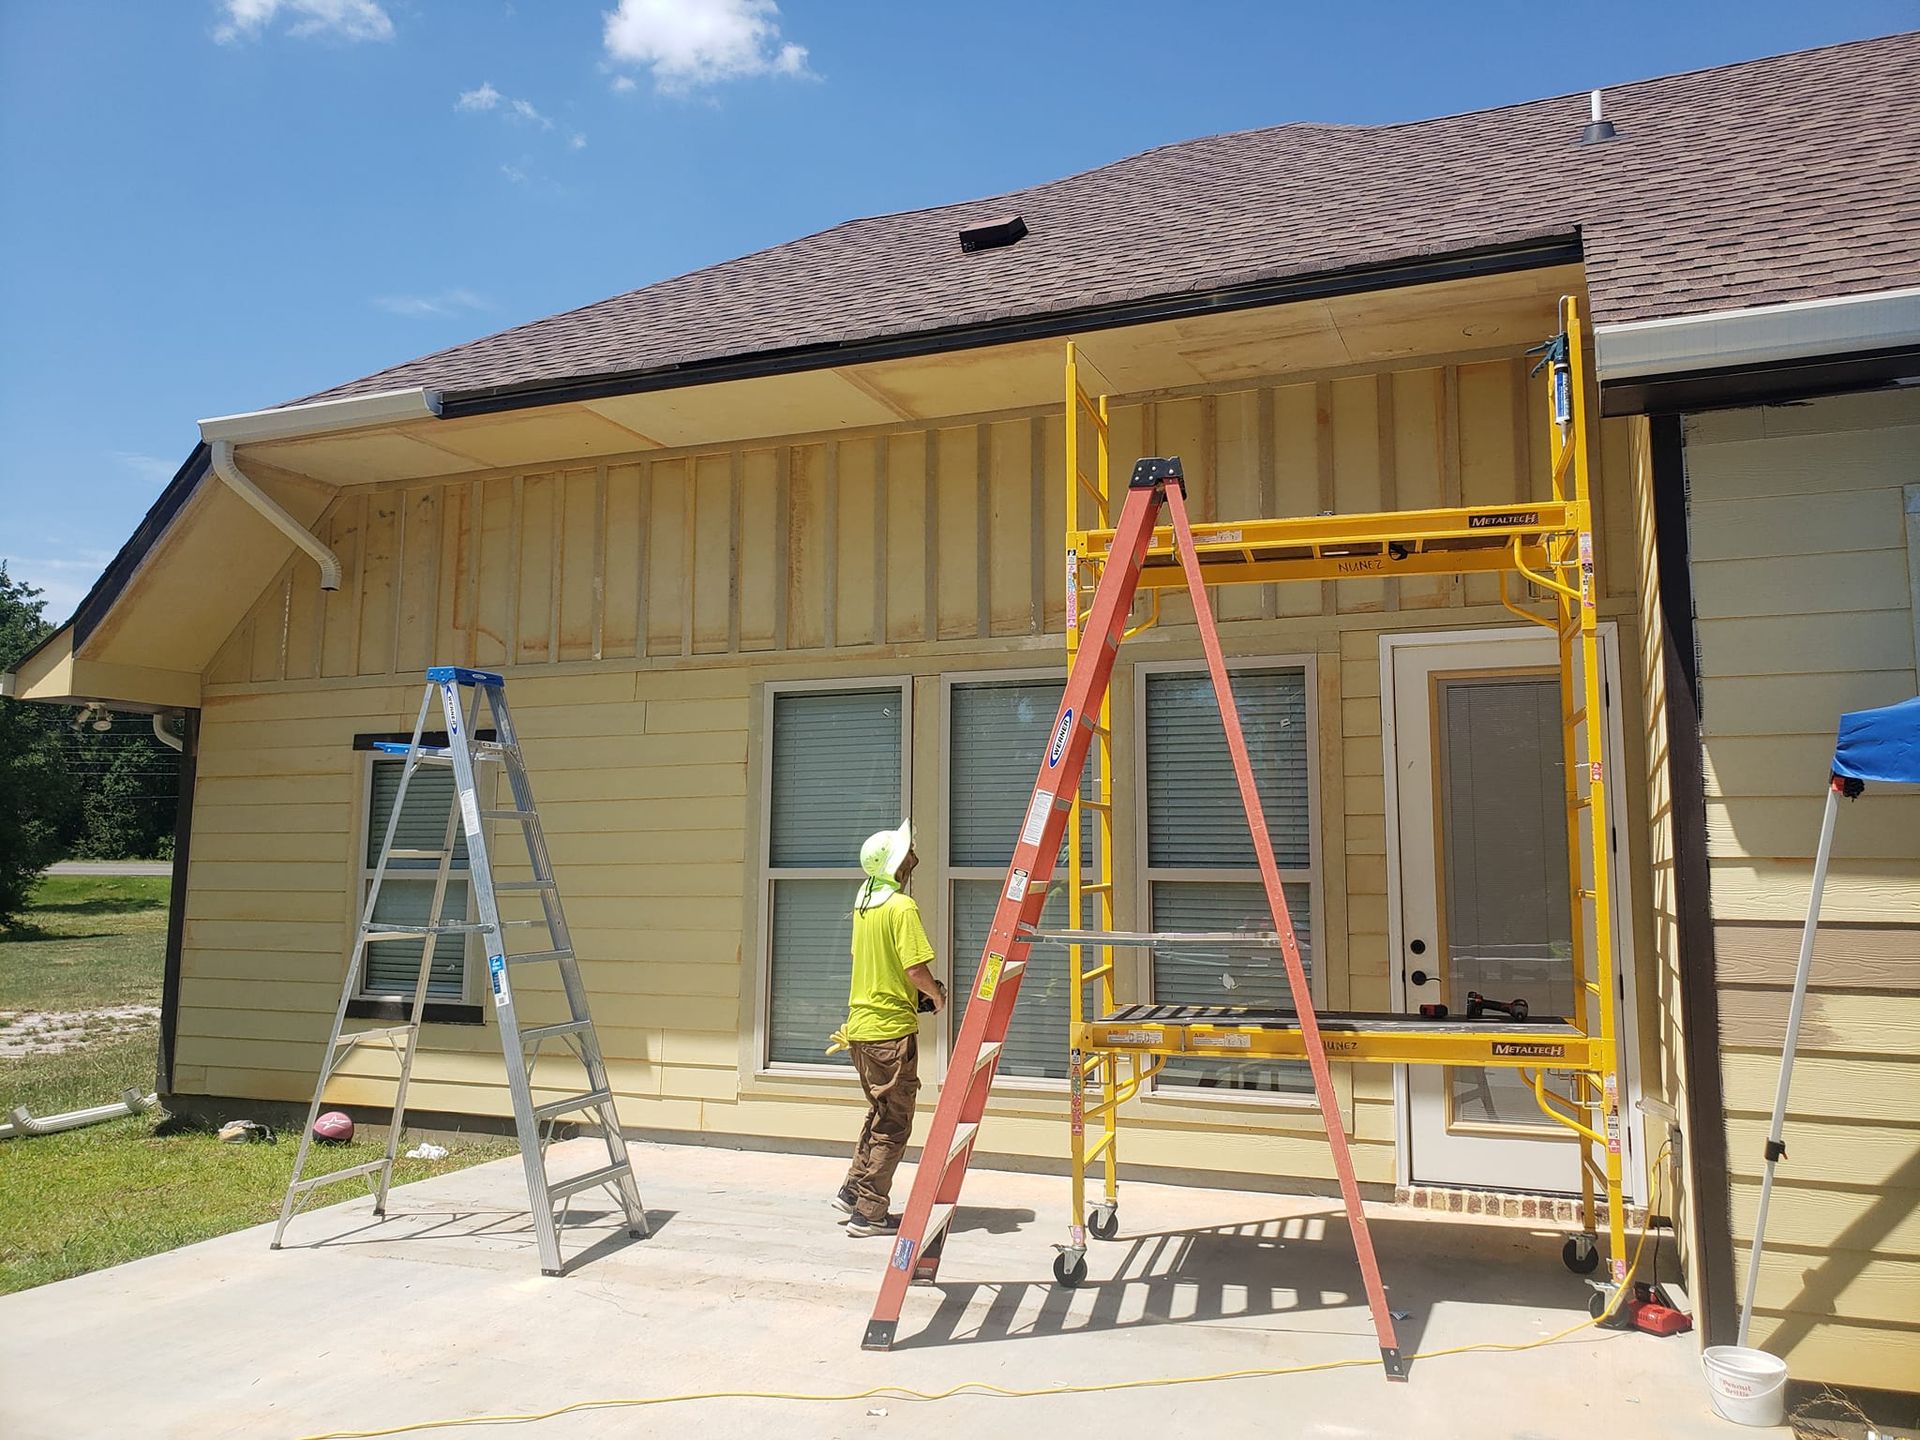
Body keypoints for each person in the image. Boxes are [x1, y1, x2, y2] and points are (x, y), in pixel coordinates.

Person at [835, 818, 944, 1236]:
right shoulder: (900, 907)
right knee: (894, 1122)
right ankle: (870, 1212)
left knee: (879, 1113)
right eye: (908, 848)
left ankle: (854, 1190)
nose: (913, 851)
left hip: (861, 1028)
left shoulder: (865, 900)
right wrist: (936, 995)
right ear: (898, 861)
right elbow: (915, 970)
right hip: (890, 1032)